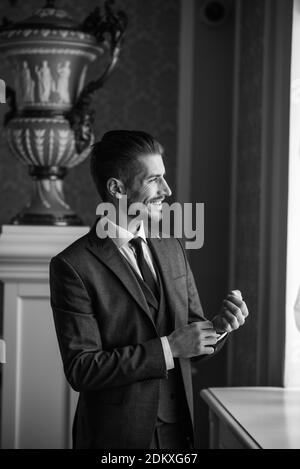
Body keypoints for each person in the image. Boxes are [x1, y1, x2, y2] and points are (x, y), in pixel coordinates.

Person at [49, 130, 249, 449]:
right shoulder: (72, 265)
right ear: (117, 188)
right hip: (114, 438)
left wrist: (221, 328)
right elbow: (82, 368)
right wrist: (169, 348)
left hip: (178, 433)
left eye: (164, 179)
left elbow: (192, 340)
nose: (167, 190)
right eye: (154, 180)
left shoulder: (173, 248)